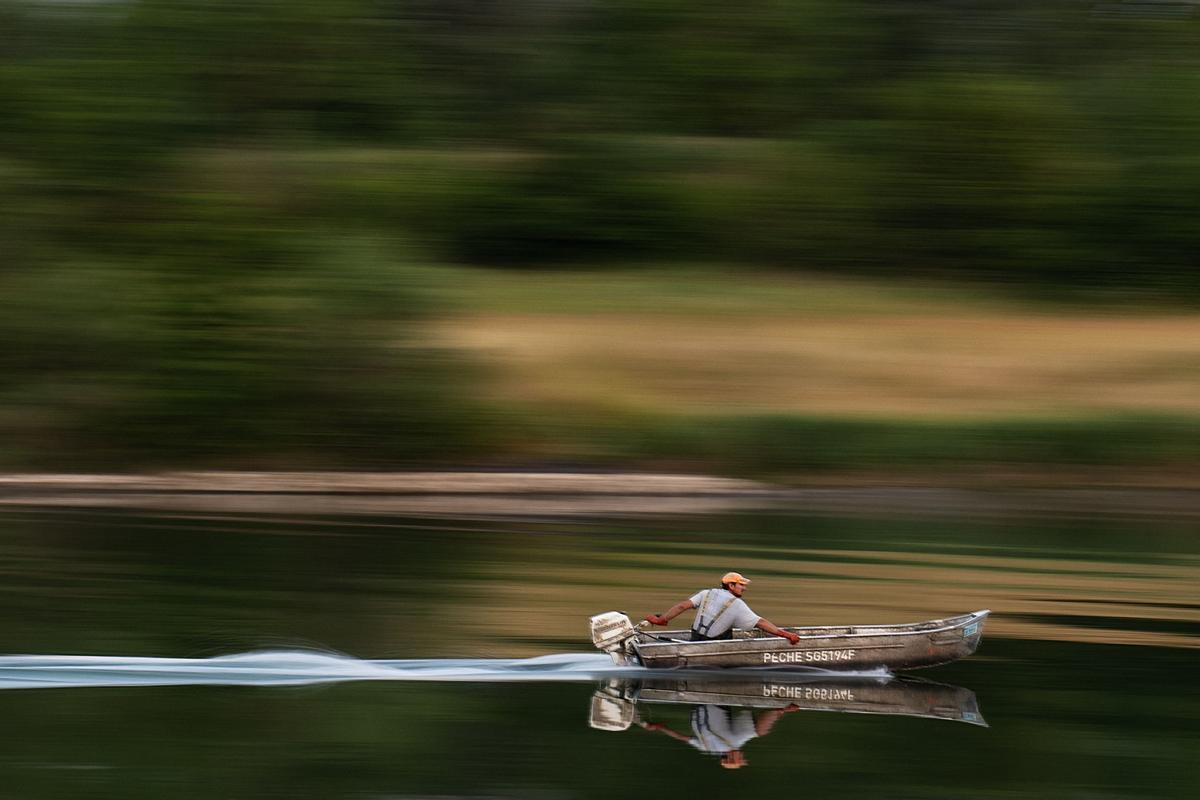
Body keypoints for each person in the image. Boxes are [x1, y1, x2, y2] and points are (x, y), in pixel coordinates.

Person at [644, 571, 801, 644]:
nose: (744, 588)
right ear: (730, 585)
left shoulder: (706, 593)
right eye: (741, 585)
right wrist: (787, 635)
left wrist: (662, 620)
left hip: (695, 638)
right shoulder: (737, 604)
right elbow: (760, 623)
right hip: (713, 644)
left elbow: (682, 606)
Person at [639, 702, 802, 769]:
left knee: (759, 732)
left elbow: (757, 731)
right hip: (696, 704)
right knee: (750, 728)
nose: (742, 754)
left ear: (731, 756)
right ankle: (774, 709)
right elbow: (681, 737)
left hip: (716, 702)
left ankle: (780, 709)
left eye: (740, 758)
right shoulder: (706, 748)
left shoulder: (733, 744)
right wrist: (660, 727)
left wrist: (780, 712)